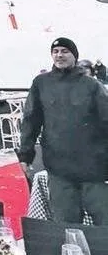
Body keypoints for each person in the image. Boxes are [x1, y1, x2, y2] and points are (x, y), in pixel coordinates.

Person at [18, 37, 108, 224]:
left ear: (74, 55)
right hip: (59, 169)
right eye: (55, 51)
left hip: (93, 168)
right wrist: (25, 155)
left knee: (104, 221)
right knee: (66, 224)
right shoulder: (41, 83)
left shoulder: (91, 85)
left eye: (65, 51)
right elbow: (31, 120)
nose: (59, 55)